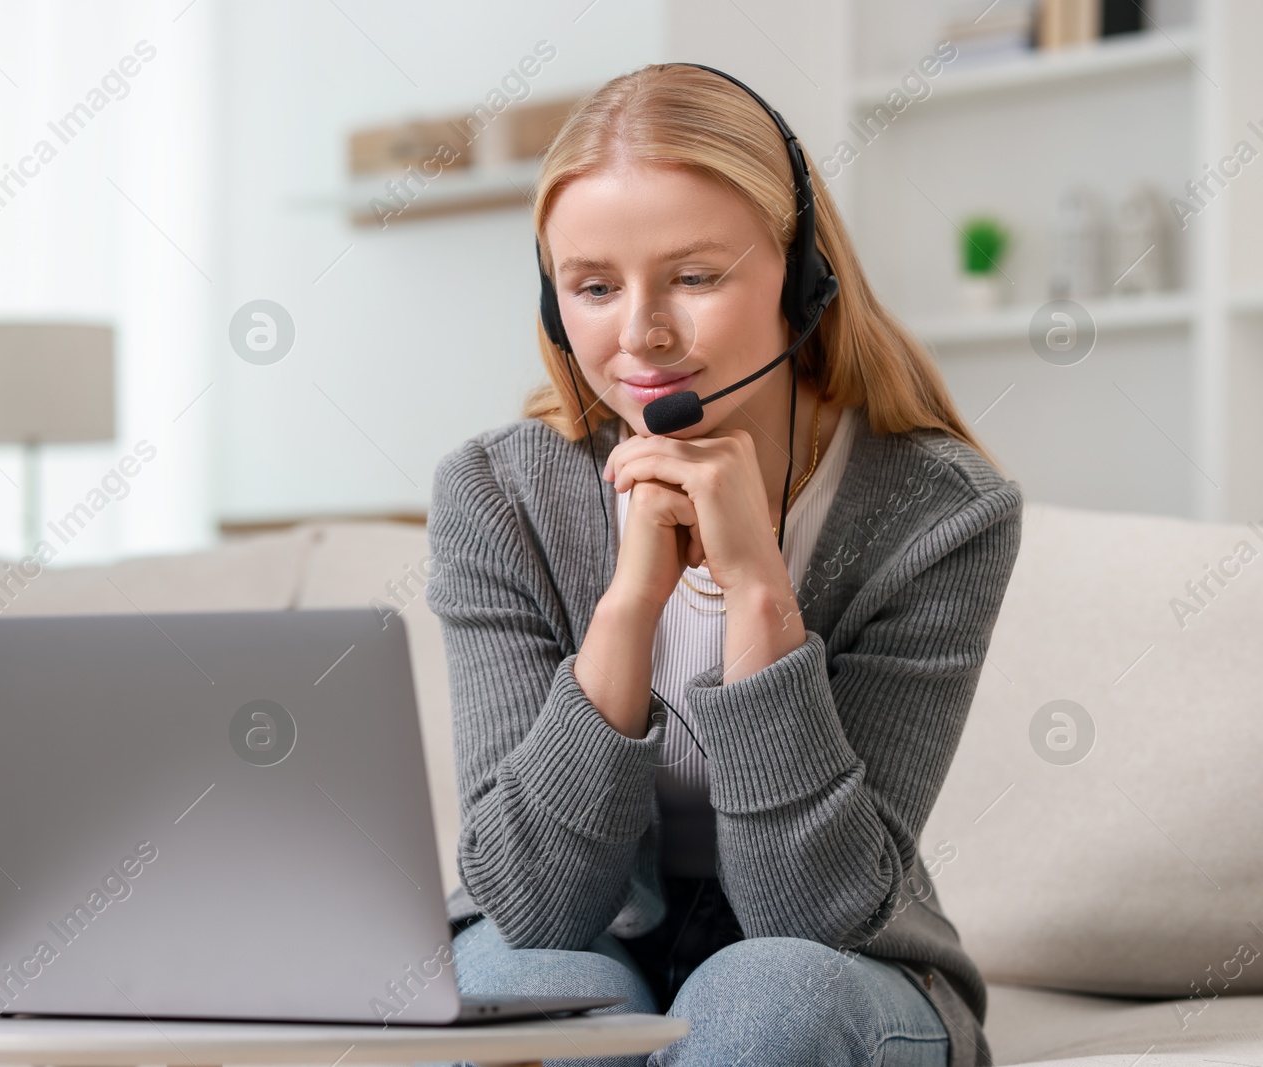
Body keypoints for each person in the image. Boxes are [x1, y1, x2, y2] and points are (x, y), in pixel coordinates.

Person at [424, 63, 1021, 1067]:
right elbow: (529, 905)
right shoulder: (497, 493)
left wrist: (759, 593)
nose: (642, 334)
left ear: (801, 280)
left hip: (839, 970)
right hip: (583, 944)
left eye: (695, 277)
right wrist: (625, 613)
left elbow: (819, 910)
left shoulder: (939, 512)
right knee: (517, 993)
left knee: (760, 993)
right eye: (594, 287)